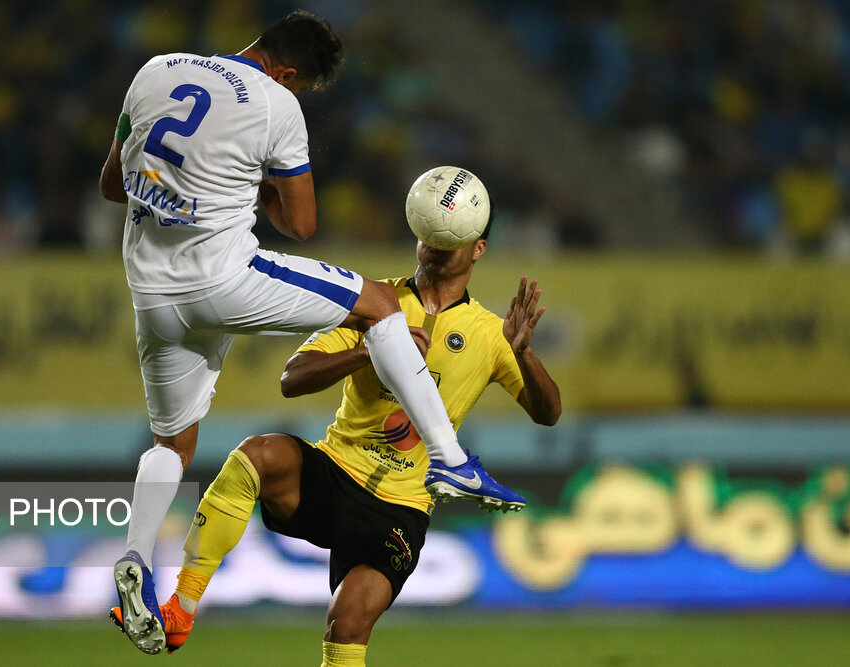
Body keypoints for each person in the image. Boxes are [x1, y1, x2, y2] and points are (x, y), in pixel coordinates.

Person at [99, 11, 524, 653]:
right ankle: (453, 461)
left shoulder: (156, 71)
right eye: (299, 88)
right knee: (381, 305)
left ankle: (136, 559)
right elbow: (301, 225)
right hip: (220, 277)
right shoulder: (275, 103)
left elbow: (112, 185)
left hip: (152, 292)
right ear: (289, 72)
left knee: (171, 445)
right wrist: (261, 182)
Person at [112, 200, 562, 662]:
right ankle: (181, 609)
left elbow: (547, 413)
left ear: (478, 249)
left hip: (399, 507)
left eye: (452, 237)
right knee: (258, 455)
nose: (436, 243)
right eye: (430, 231)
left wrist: (524, 353)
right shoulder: (374, 304)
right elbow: (293, 377)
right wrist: (371, 350)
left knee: (345, 624)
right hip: (334, 472)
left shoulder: (490, 334)